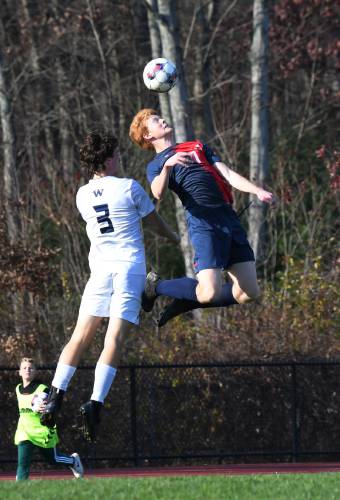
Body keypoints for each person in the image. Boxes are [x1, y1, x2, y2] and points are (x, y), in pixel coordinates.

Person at [40, 133, 179, 441]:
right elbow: (154, 222)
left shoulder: (81, 195)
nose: (120, 158)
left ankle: (55, 396)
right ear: (106, 160)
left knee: (80, 336)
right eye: (116, 154)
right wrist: (176, 238)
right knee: (114, 337)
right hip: (128, 269)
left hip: (100, 270)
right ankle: (95, 403)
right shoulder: (129, 187)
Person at [129, 109, 276, 326]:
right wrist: (168, 166)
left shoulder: (197, 146)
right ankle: (156, 286)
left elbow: (226, 173)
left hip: (229, 219)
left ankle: (190, 300)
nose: (162, 119)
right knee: (208, 294)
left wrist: (256, 191)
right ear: (147, 136)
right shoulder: (156, 165)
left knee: (248, 293)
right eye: (154, 120)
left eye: (160, 116)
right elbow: (157, 193)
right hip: (203, 223)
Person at [14, 357, 83, 480]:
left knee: (53, 459)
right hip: (24, 431)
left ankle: (72, 461)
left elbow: (48, 401)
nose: (27, 370)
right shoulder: (18, 388)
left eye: (30, 368)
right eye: (24, 368)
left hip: (42, 430)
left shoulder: (42, 388)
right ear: (19, 371)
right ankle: (20, 488)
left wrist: (44, 405)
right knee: (22, 463)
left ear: (35, 372)